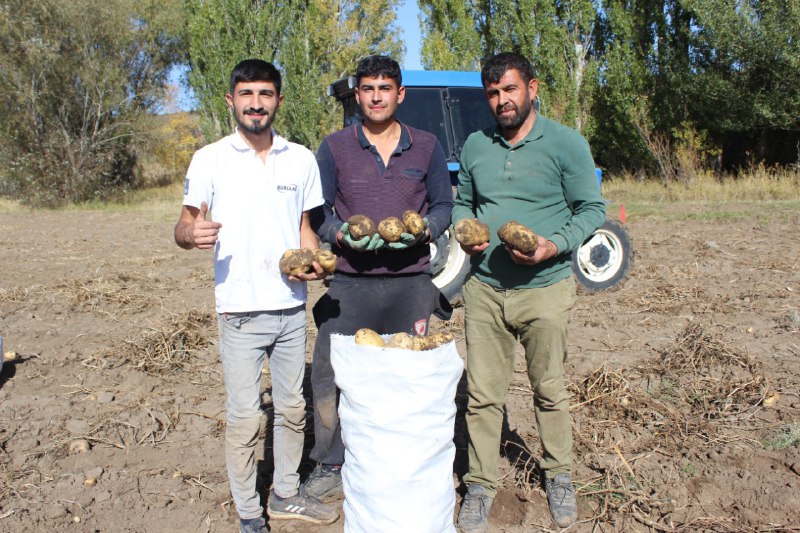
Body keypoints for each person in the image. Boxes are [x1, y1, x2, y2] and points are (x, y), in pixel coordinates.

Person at [173, 59, 338, 533]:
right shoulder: (210, 158)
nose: (256, 104)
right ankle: (249, 512)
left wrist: (315, 260)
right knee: (246, 417)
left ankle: (284, 494)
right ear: (231, 100)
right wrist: (190, 234)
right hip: (239, 311)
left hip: (289, 307)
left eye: (265, 94)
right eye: (246, 94)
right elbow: (183, 225)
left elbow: (305, 228)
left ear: (278, 100)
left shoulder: (300, 159)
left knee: (292, 410)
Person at [452, 52, 606, 532]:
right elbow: (463, 202)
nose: (502, 100)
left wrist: (551, 246)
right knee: (482, 396)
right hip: (485, 289)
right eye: (492, 93)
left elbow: (591, 209)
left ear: (532, 89)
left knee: (550, 389)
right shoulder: (476, 144)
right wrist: (464, 229)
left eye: (510, 89)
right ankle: (480, 485)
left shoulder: (565, 143)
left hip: (545, 289)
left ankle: (558, 475)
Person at [304, 55, 454, 502]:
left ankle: (403, 461)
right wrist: (340, 234)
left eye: (384, 88)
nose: (376, 97)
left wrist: (426, 230)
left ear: (399, 94)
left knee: (409, 373)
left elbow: (443, 206)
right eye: (367, 89)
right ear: (357, 95)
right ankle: (331, 463)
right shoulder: (334, 147)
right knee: (330, 373)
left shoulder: (426, 145)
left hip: (411, 283)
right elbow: (319, 212)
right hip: (350, 283)